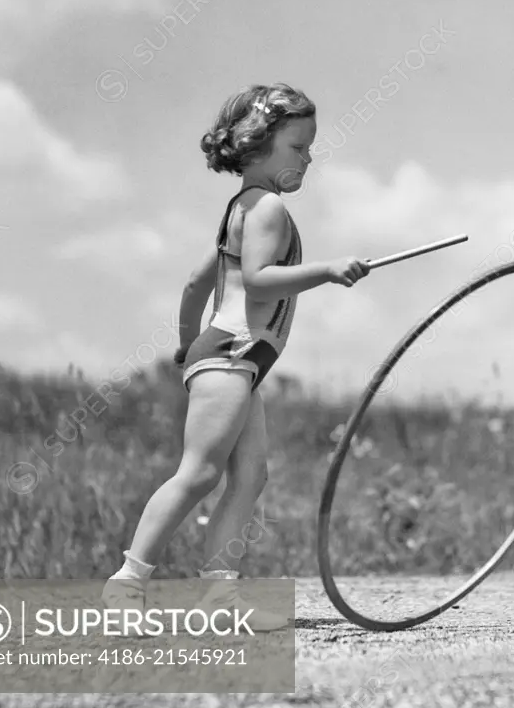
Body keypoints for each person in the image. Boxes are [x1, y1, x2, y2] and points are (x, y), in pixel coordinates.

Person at [102, 83, 371, 630]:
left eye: (310, 148)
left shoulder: (238, 210)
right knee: (200, 474)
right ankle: (126, 583)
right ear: (260, 144)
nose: (309, 157)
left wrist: (185, 347)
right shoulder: (267, 207)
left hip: (231, 359)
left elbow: (196, 284)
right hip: (232, 355)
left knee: (251, 475)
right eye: (299, 147)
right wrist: (326, 270)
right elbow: (258, 281)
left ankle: (218, 598)